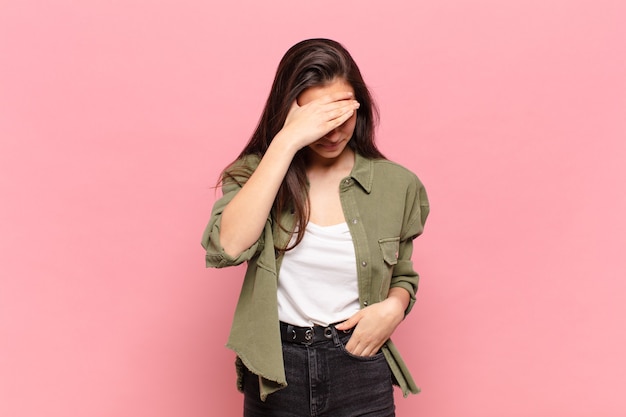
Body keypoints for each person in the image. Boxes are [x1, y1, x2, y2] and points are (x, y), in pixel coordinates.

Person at [201, 38, 429, 417]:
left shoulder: (398, 185)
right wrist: (286, 141)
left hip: (360, 362)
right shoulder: (256, 174)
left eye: (343, 114)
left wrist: (394, 306)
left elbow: (402, 274)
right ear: (289, 112)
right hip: (277, 369)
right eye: (318, 117)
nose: (333, 131)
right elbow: (228, 246)